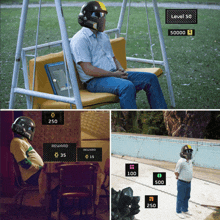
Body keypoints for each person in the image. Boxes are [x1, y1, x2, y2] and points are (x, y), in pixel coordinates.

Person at [70, 1, 167, 109]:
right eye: (101, 16)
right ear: (91, 18)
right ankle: (130, 123)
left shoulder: (103, 36)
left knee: (151, 78)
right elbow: (88, 69)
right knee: (127, 86)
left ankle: (162, 112)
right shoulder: (80, 40)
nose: (104, 19)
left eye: (104, 16)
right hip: (94, 81)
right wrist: (114, 75)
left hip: (113, 74)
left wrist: (120, 70)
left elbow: (113, 58)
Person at [10, 116, 44, 186]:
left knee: (57, 174)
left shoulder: (23, 140)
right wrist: (40, 168)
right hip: (32, 176)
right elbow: (24, 163)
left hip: (36, 173)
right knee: (56, 176)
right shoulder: (17, 142)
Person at [175, 145, 193, 219]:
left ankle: (185, 209)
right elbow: (176, 172)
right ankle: (178, 211)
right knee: (180, 197)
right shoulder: (181, 161)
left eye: (190, 151)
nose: (189, 153)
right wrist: (178, 177)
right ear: (183, 152)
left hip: (189, 182)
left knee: (187, 196)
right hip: (182, 182)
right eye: (187, 151)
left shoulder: (190, 161)